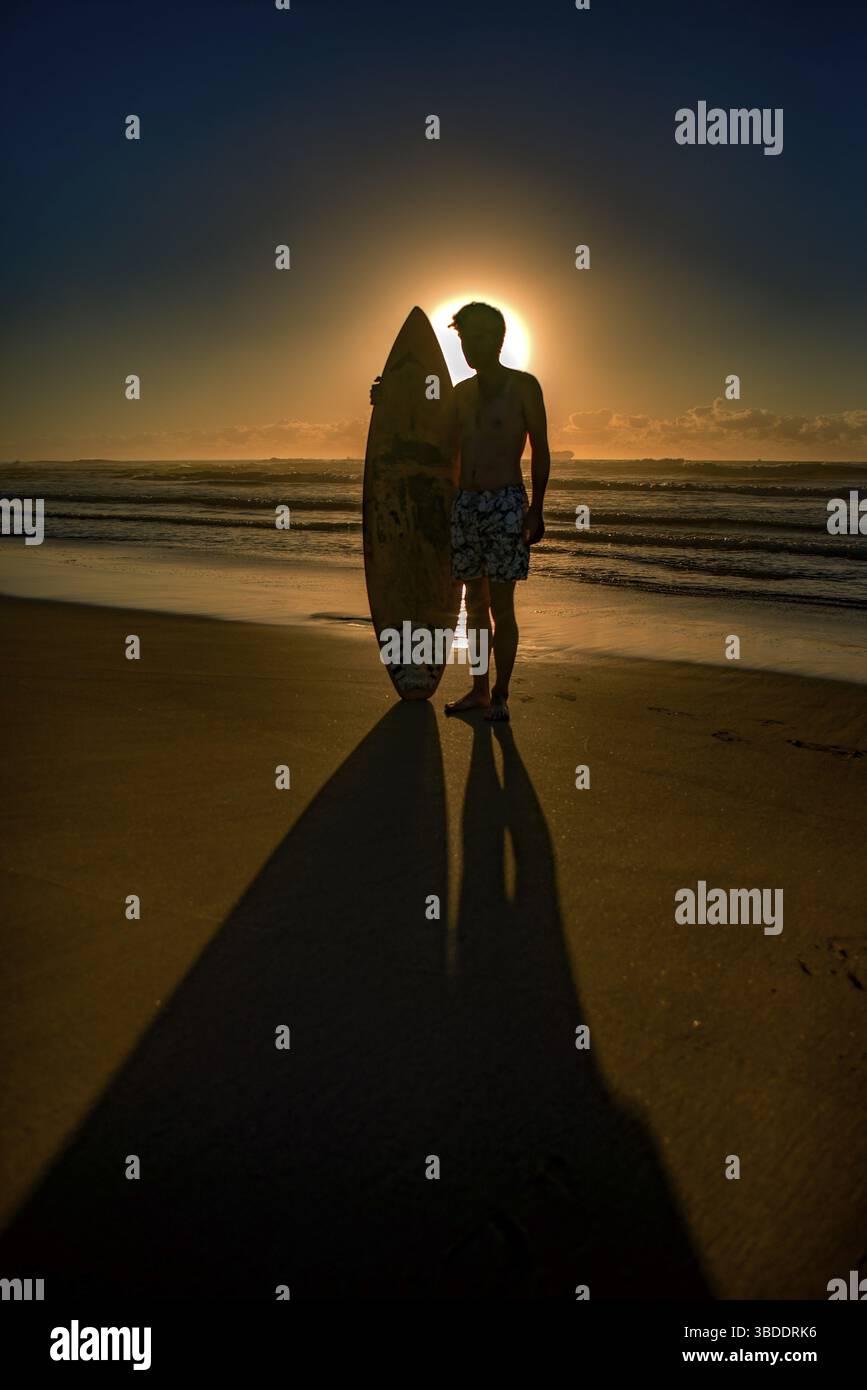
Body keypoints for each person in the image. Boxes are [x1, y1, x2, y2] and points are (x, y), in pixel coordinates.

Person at [371, 301, 550, 722]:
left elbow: (541, 449)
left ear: (499, 339)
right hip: (465, 505)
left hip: (505, 503)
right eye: (466, 338)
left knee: (501, 607)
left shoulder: (525, 386)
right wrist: (387, 399)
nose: (472, 345)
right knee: (473, 608)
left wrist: (537, 509)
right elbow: (426, 432)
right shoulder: (460, 395)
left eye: (481, 336)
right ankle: (479, 690)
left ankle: (502, 695)